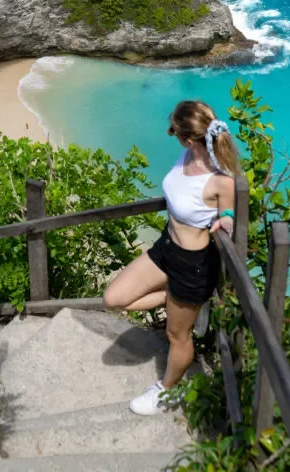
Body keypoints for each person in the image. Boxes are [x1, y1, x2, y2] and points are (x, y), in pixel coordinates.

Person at [103, 99, 241, 416]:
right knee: (114, 298)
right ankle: (177, 299)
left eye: (175, 131)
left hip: (192, 266)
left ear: (189, 139)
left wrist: (227, 220)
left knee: (177, 335)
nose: (172, 135)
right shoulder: (186, 156)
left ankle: (167, 391)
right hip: (166, 247)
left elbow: (229, 214)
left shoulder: (221, 179)